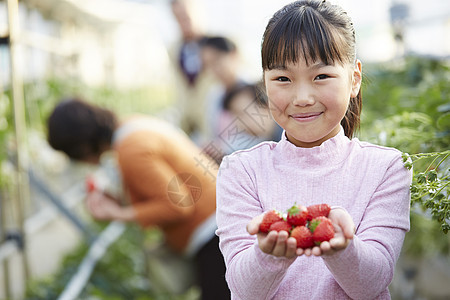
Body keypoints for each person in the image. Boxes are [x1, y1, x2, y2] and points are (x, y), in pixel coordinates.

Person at [215, 1, 412, 299]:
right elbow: (243, 288)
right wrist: (269, 253)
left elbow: (372, 282)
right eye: (283, 79)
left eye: (321, 76)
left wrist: (344, 247)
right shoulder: (240, 170)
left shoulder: (387, 167)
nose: (303, 98)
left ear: (354, 79)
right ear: (265, 85)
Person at [47, 98, 230, 299]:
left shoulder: (131, 150)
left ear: (80, 146)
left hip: (212, 235)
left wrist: (119, 213)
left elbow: (178, 205)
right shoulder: (133, 127)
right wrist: (118, 201)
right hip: (219, 222)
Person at [168, 0, 214, 145]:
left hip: (215, 123)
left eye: (186, 17)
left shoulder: (219, 46)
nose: (183, 23)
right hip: (187, 124)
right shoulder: (175, 50)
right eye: (178, 18)